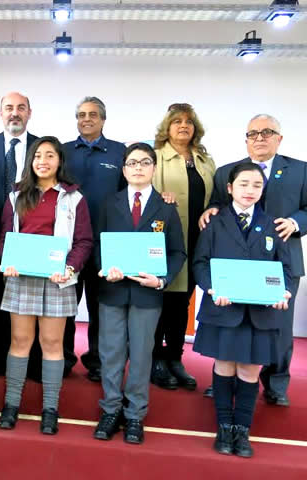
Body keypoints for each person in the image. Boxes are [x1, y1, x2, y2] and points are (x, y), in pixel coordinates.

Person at [199, 114, 307, 406]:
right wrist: (209, 210)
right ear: (246, 139)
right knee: (231, 323)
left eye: (267, 132)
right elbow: (217, 204)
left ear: (279, 139)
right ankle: (225, 381)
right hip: (235, 264)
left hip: (280, 262)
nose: (259, 138)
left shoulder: (301, 170)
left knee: (277, 327)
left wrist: (296, 222)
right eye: (253, 133)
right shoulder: (226, 172)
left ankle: (275, 384)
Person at [193, 162, 291, 457]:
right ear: (230, 188)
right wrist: (212, 288)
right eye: (244, 184)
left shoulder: (273, 224)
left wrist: (282, 291)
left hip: (260, 314)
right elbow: (200, 263)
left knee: (250, 369)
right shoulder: (214, 222)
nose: (250, 190)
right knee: (224, 365)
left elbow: (284, 268)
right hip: (224, 309)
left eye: (257, 185)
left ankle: (242, 430)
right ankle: (224, 427)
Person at [0, 137, 93, 435]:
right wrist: (8, 260)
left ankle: (50, 409)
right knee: (19, 341)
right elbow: (5, 237)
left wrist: (69, 268)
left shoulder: (74, 198)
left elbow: (84, 241)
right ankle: (11, 404)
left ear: (59, 161)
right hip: (21, 277)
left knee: (52, 344)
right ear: (30, 161)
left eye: (50, 155)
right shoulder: (15, 196)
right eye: (37, 155)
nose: (43, 161)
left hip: (57, 280)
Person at [93, 143, 185, 445]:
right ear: (123, 169)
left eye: (145, 162)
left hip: (147, 295)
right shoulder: (109, 203)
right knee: (111, 352)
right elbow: (97, 243)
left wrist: (161, 280)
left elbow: (177, 251)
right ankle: (111, 409)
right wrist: (105, 267)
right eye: (132, 163)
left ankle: (135, 414)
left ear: (154, 168)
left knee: (143, 354)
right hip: (113, 289)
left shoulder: (166, 207)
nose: (138, 168)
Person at [150, 103, 216, 391]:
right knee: (159, 302)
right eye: (177, 121)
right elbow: (140, 191)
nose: (183, 126)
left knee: (181, 304)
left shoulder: (205, 160)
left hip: (197, 240)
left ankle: (175, 358)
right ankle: (155, 359)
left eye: (188, 121)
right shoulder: (154, 157)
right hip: (163, 241)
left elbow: (215, 196)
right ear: (167, 126)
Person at [0, 91, 39, 379]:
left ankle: (33, 362)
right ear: (0, 113)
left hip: (31, 236)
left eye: (21, 108)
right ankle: (1, 358)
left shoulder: (41, 146)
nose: (15, 112)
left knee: (31, 302)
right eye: (9, 107)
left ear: (29, 113)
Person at [62, 96, 126, 381]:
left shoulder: (119, 152)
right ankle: (63, 358)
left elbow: (128, 194)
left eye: (92, 114)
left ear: (103, 119)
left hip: (105, 243)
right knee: (65, 305)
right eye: (81, 115)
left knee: (102, 308)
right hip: (70, 243)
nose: (86, 119)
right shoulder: (63, 151)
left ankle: (98, 361)